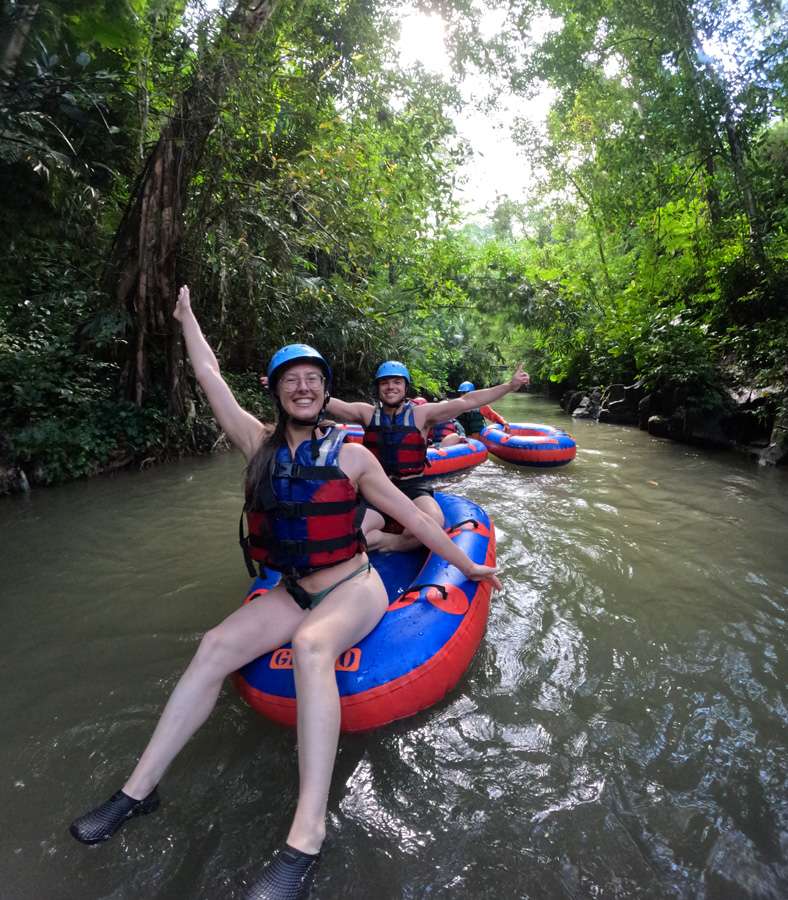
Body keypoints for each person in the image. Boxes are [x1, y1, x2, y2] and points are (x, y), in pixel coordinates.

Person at [69, 286, 502, 900]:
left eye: (312, 380)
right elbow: (209, 375)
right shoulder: (256, 443)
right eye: (291, 380)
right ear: (276, 391)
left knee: (311, 645)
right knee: (214, 646)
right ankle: (138, 791)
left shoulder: (354, 457)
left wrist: (468, 567)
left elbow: (417, 518)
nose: (303, 387)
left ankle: (307, 833)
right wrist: (187, 318)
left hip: (354, 587)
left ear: (325, 392)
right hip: (293, 588)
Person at [323, 361, 530, 551]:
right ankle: (385, 540)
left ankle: (393, 543)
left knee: (434, 522)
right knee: (353, 535)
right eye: (385, 383)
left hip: (412, 486)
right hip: (378, 488)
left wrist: (509, 386)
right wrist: (310, 387)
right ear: (378, 387)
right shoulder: (366, 413)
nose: (390, 387)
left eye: (397, 382)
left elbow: (468, 401)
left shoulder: (421, 414)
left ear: (405, 387)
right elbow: (330, 403)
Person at [454, 377, 529, 438]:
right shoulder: (456, 408)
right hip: (464, 437)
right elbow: (452, 422)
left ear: (473, 393)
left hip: (478, 437)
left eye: (467, 393)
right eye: (462, 393)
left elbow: (493, 416)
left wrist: (504, 423)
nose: (464, 395)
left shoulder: (481, 406)